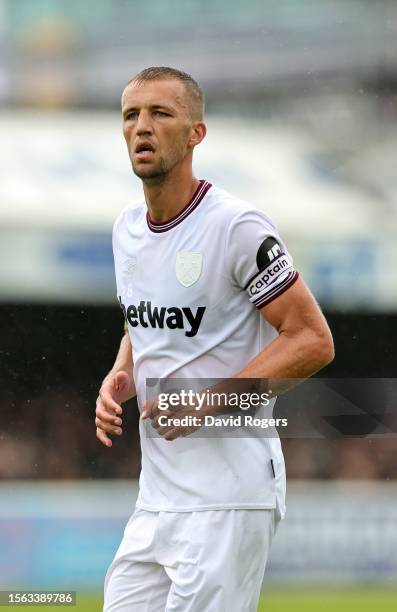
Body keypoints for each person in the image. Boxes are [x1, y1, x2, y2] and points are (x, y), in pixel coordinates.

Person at [95, 66, 334, 612]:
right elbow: (144, 317)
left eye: (161, 113)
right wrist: (121, 372)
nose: (142, 127)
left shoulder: (236, 226)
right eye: (132, 115)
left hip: (229, 498)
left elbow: (313, 340)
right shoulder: (126, 229)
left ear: (196, 133)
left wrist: (207, 402)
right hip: (156, 499)